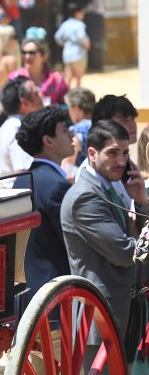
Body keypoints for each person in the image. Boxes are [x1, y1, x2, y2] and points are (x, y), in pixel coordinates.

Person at [61, 119, 147, 375]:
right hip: (99, 317)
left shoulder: (109, 188)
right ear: (92, 154)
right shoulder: (87, 197)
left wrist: (140, 201)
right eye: (112, 153)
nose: (121, 160)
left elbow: (134, 235)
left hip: (119, 312)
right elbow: (125, 252)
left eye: (125, 152)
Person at [14, 106, 74, 302]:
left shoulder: (21, 180)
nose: (71, 134)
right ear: (48, 141)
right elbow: (73, 242)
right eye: (64, 130)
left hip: (24, 296)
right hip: (54, 297)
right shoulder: (56, 185)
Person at [0, 76, 43, 184]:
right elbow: (23, 175)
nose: (41, 96)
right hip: (17, 197)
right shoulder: (19, 129)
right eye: (36, 93)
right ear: (25, 103)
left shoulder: (8, 125)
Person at [9, 29, 69, 105]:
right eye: (24, 53)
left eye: (32, 53)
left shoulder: (57, 79)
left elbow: (65, 106)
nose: (27, 56)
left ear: (44, 56)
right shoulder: (15, 78)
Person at [54, 3, 90, 88]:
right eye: (81, 12)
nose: (83, 14)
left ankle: (65, 96)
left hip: (67, 53)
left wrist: (63, 44)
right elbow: (82, 37)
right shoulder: (79, 25)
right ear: (77, 13)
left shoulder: (65, 24)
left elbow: (57, 36)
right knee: (78, 78)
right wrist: (87, 44)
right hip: (78, 53)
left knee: (68, 78)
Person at [64, 87, 95, 177]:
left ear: (76, 108)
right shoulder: (103, 125)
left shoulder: (75, 132)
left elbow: (67, 171)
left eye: (69, 108)